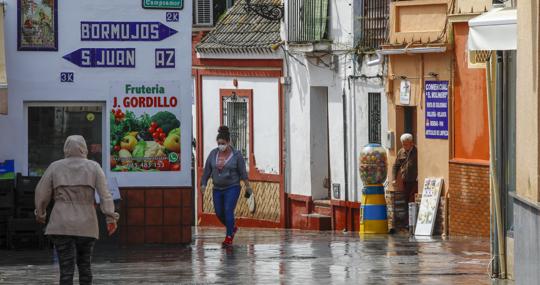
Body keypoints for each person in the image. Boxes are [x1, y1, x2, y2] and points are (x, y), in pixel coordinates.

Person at [35, 135, 119, 285]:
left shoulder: (55, 166)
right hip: (87, 223)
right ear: (84, 148)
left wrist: (40, 212)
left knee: (66, 270)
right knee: (85, 266)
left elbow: (42, 192)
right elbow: (105, 195)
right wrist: (110, 217)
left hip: (61, 223)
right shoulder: (94, 167)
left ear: (66, 148)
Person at [200, 126, 253, 247]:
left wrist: (247, 186)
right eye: (219, 143)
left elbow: (243, 173)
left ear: (228, 142)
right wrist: (203, 184)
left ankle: (229, 236)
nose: (221, 146)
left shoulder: (237, 155)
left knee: (228, 210)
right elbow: (207, 170)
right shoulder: (213, 154)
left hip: (232, 187)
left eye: (223, 143)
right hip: (217, 188)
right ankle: (232, 227)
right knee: (219, 213)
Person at [392, 133, 418, 229]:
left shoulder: (417, 151)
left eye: (406, 144)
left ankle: (412, 223)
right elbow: (396, 166)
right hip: (405, 181)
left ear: (411, 143)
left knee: (412, 201)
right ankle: (408, 223)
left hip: (415, 181)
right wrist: (394, 178)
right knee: (406, 201)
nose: (404, 146)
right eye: (403, 144)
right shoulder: (401, 152)